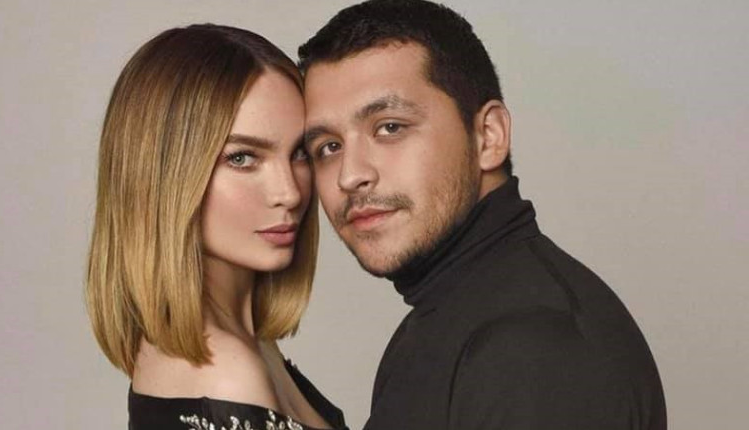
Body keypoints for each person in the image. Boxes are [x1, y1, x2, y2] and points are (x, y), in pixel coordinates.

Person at [298, 1, 666, 429]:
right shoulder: (441, 321)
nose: (350, 175)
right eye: (328, 147)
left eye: (390, 127)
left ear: (489, 137)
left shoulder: (533, 347)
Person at [86, 24, 346, 430]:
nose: (290, 192)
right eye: (242, 158)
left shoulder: (250, 346)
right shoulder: (227, 375)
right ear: (164, 176)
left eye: (298, 152)